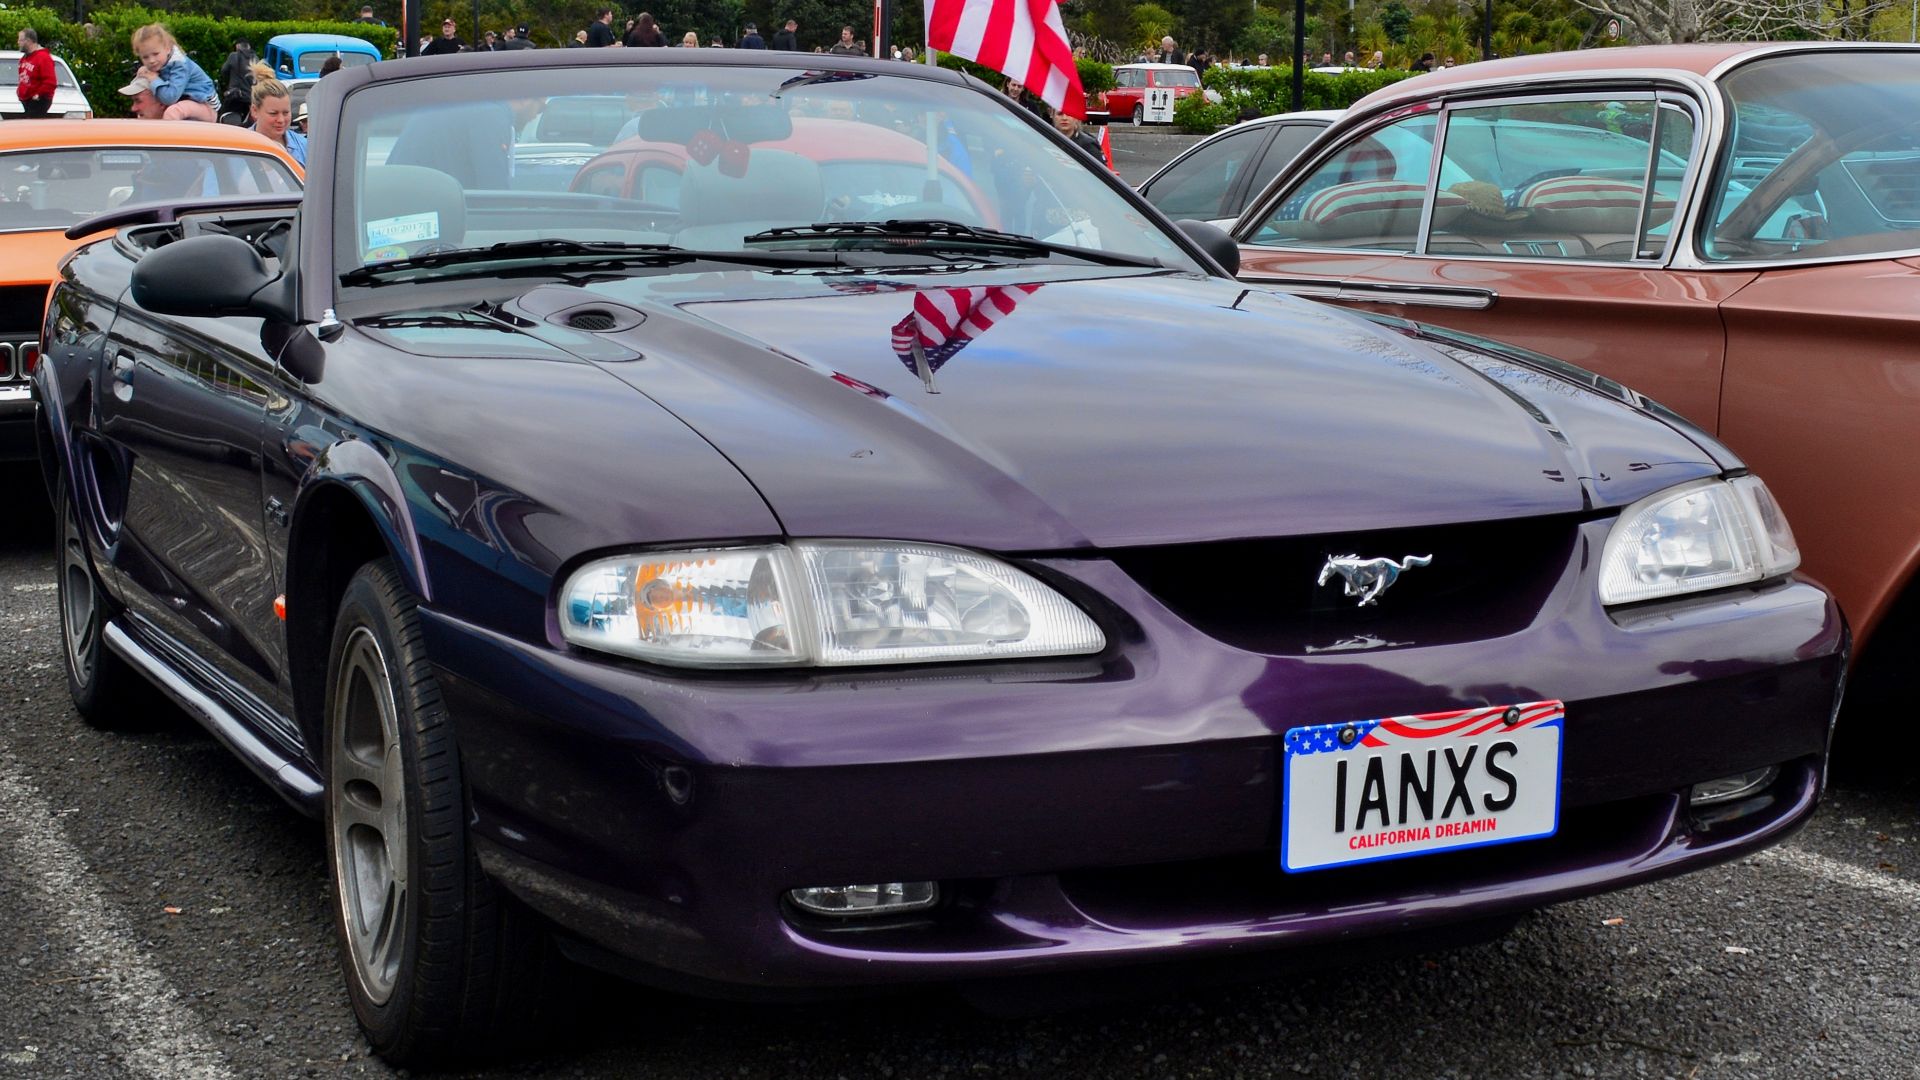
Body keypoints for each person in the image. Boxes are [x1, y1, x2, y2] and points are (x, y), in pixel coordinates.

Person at [131, 24, 218, 121]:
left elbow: (170, 98)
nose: (151, 60)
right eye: (145, 57)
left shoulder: (180, 65)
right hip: (189, 102)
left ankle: (167, 136)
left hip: (206, 106)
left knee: (172, 112)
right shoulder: (163, 62)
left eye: (155, 54)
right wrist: (144, 70)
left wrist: (154, 79)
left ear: (168, 48)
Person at [246, 62, 306, 166]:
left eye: (286, 113)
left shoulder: (305, 146)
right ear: (255, 111)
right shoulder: (239, 147)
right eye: (273, 113)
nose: (281, 120)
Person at [15, 29, 57, 119]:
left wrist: (38, 95)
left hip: (38, 101)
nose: (18, 42)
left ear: (29, 41)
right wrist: (20, 92)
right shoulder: (25, 58)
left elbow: (50, 82)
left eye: (20, 40)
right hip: (26, 100)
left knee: (32, 126)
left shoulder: (43, 57)